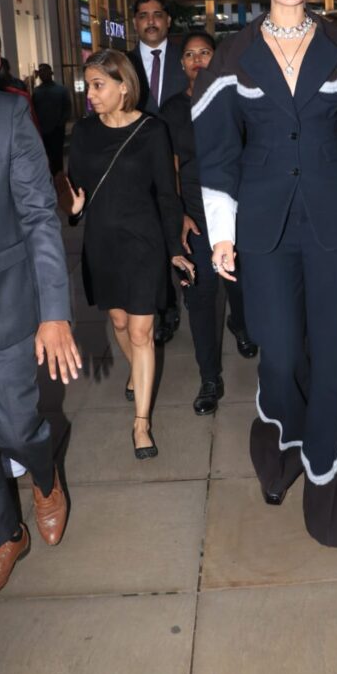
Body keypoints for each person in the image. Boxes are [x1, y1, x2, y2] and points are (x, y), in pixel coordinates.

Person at [192, 0, 337, 549]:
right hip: (264, 228)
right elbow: (218, 152)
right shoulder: (233, 55)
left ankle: (331, 486)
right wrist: (221, 234)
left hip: (336, 222)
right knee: (279, 357)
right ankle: (282, 446)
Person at [60, 50, 193, 459]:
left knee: (141, 333)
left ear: (123, 86)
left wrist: (174, 249)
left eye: (98, 85)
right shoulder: (84, 132)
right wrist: (73, 209)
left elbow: (167, 196)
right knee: (119, 321)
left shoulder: (153, 131)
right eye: (88, 86)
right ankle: (137, 370)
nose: (90, 94)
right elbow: (74, 190)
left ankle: (141, 424)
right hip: (102, 243)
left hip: (143, 243)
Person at [0, 92, 81, 592]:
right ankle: (7, 533)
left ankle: (44, 477)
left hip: (6, 305)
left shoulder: (8, 117)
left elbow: (39, 217)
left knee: (16, 423)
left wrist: (54, 313)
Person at [161, 31, 257, 416]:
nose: (197, 59)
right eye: (189, 54)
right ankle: (209, 378)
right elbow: (168, 169)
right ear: (181, 64)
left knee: (242, 282)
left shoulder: (239, 99)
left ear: (217, 58)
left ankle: (241, 324)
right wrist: (178, 214)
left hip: (240, 209)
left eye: (204, 52)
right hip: (196, 215)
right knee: (201, 295)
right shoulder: (171, 111)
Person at [127, 0, 187, 345]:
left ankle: (196, 293)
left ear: (168, 20)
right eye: (143, 15)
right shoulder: (123, 64)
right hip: (140, 169)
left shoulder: (186, 58)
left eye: (157, 14)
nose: (151, 21)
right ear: (135, 22)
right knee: (151, 242)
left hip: (185, 163)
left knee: (185, 232)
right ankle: (165, 308)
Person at [32, 63, 72, 175]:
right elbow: (33, 110)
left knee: (57, 156)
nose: (42, 73)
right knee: (44, 156)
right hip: (42, 130)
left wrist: (61, 122)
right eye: (40, 71)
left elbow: (67, 108)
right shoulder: (36, 91)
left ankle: (59, 178)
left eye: (45, 71)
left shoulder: (61, 90)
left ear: (51, 73)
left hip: (57, 129)